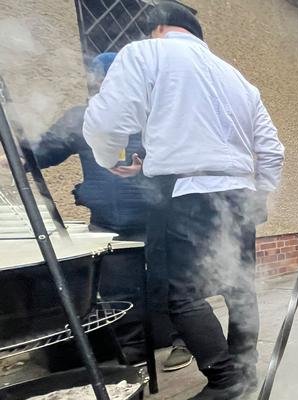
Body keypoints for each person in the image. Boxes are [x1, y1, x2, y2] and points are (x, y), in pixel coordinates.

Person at [83, 1, 285, 400]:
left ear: (157, 28)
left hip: (184, 192)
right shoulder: (238, 78)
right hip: (237, 193)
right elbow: (271, 148)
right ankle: (244, 369)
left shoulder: (144, 54)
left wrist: (107, 159)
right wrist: (258, 194)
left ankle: (225, 382)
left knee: (183, 294)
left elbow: (106, 123)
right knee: (239, 287)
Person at [20, 52, 193, 372]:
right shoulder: (83, 119)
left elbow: (183, 161)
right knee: (120, 290)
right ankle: (133, 348)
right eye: (101, 79)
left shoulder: (154, 117)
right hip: (109, 225)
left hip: (160, 219)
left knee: (173, 283)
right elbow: (42, 152)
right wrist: (16, 152)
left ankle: (184, 340)